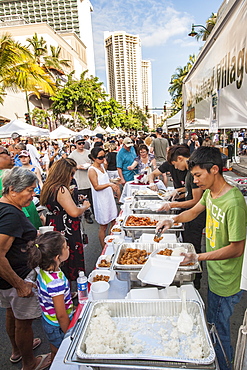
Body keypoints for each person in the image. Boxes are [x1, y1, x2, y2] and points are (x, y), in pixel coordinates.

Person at [156, 146, 247, 370]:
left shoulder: (234, 202)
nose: (194, 181)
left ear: (214, 169)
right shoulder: (210, 193)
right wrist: (172, 220)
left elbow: (237, 248)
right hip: (215, 274)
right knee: (213, 324)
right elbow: (195, 210)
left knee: (218, 329)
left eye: (198, 175)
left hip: (227, 280)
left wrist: (198, 256)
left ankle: (224, 365)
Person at [0, 167, 51, 370]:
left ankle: (18, 350)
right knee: (24, 322)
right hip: (16, 276)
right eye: (30, 190)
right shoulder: (11, 214)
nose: (33, 194)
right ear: (13, 190)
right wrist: (20, 284)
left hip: (7, 279)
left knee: (12, 314)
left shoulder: (5, 207)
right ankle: (30, 363)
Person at [158, 145, 206, 289]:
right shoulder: (190, 172)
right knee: (189, 244)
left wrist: (172, 205)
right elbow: (189, 190)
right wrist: (178, 192)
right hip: (192, 214)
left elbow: (196, 200)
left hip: (196, 216)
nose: (176, 168)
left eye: (175, 164)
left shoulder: (193, 173)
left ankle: (195, 279)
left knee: (193, 246)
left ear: (180, 158)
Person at [40, 158, 91, 282]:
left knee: (57, 258)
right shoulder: (61, 189)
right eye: (71, 174)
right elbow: (73, 212)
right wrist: (84, 207)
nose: (72, 177)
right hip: (66, 227)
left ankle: (60, 285)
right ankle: (69, 287)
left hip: (53, 223)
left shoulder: (49, 186)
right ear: (64, 173)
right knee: (67, 257)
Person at [27, 231, 73, 363]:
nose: (68, 248)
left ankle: (53, 360)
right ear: (57, 256)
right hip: (58, 325)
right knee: (64, 353)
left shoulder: (42, 268)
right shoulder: (55, 282)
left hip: (48, 319)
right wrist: (70, 333)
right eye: (66, 247)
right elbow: (61, 315)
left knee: (55, 349)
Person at [88, 147, 118, 248]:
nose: (103, 159)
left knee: (113, 220)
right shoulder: (92, 170)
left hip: (108, 197)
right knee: (103, 226)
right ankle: (104, 248)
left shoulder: (102, 166)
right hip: (101, 200)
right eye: (100, 157)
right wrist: (109, 185)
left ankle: (110, 243)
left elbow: (104, 180)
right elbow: (96, 187)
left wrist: (113, 182)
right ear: (93, 158)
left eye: (104, 156)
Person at [68, 135, 94, 224]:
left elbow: (93, 162)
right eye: (79, 143)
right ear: (75, 144)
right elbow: (69, 166)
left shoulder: (88, 152)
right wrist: (77, 167)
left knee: (92, 199)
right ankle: (86, 214)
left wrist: (89, 165)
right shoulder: (72, 155)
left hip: (89, 180)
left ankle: (94, 214)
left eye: (83, 143)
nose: (82, 145)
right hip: (79, 181)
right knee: (83, 200)